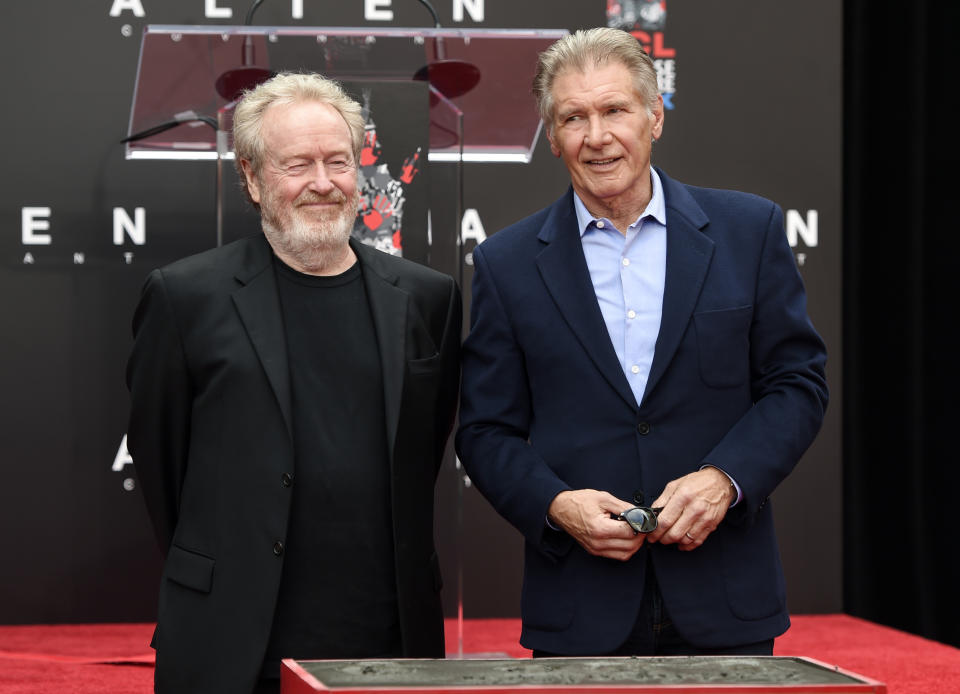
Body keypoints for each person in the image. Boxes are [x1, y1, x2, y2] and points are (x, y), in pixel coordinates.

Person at [456, 28, 828, 658]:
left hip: (726, 601)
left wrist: (725, 480)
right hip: (579, 609)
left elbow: (797, 384)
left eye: (615, 110)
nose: (596, 136)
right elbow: (484, 431)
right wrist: (556, 506)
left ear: (655, 116)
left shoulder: (750, 230)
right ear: (552, 136)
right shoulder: (506, 263)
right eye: (573, 116)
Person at [126, 72, 461, 694]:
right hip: (229, 638)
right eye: (297, 164)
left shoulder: (426, 298)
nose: (323, 183)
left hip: (388, 638)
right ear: (252, 178)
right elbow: (162, 466)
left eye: (339, 161)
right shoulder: (184, 298)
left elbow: (426, 448)